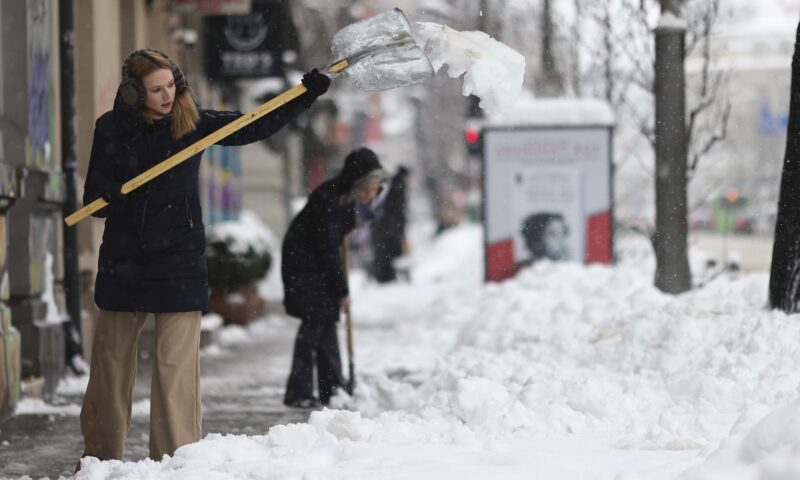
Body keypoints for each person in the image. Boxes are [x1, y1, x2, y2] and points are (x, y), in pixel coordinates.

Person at [78, 48, 330, 464]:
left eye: (171, 86)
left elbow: (253, 126)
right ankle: (99, 460)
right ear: (132, 93)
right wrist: (110, 197)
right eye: (155, 90)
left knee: (176, 371)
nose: (166, 96)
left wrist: (303, 96)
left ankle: (177, 460)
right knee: (109, 367)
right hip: (124, 259)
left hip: (178, 259)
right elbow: (94, 198)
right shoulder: (111, 129)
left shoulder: (191, 122)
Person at [281, 148, 387, 408]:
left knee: (326, 323)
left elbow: (335, 243)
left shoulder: (344, 198)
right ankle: (300, 392)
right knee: (314, 325)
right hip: (304, 265)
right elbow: (327, 248)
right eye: (370, 188)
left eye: (376, 188)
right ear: (357, 183)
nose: (372, 194)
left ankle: (332, 388)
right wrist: (342, 290)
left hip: (315, 265)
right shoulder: (330, 200)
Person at [370, 165, 411, 283]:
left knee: (385, 252)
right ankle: (388, 276)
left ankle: (385, 276)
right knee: (391, 252)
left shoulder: (393, 184)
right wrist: (400, 226)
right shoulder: (399, 186)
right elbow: (398, 208)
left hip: (384, 227)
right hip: (391, 227)